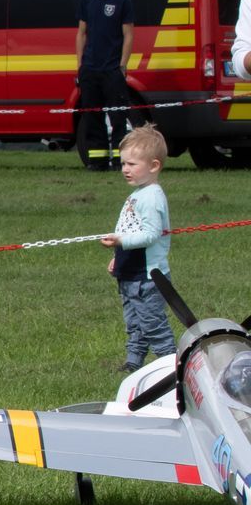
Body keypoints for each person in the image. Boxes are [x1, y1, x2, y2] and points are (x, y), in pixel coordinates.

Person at [98, 124, 174, 371]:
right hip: (130, 273)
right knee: (134, 322)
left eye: (132, 164)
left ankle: (170, 365)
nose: (125, 170)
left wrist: (120, 242)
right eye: (123, 164)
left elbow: (149, 235)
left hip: (148, 277)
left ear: (154, 166)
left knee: (153, 324)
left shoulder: (151, 197)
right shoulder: (139, 194)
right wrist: (117, 257)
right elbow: (129, 228)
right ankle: (133, 363)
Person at [75, 0, 135, 171]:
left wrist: (122, 65)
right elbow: (81, 33)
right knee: (92, 116)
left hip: (112, 69)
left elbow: (128, 35)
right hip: (90, 69)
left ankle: (121, 161)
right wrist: (80, 65)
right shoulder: (86, 0)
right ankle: (97, 161)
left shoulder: (122, 1)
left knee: (118, 116)